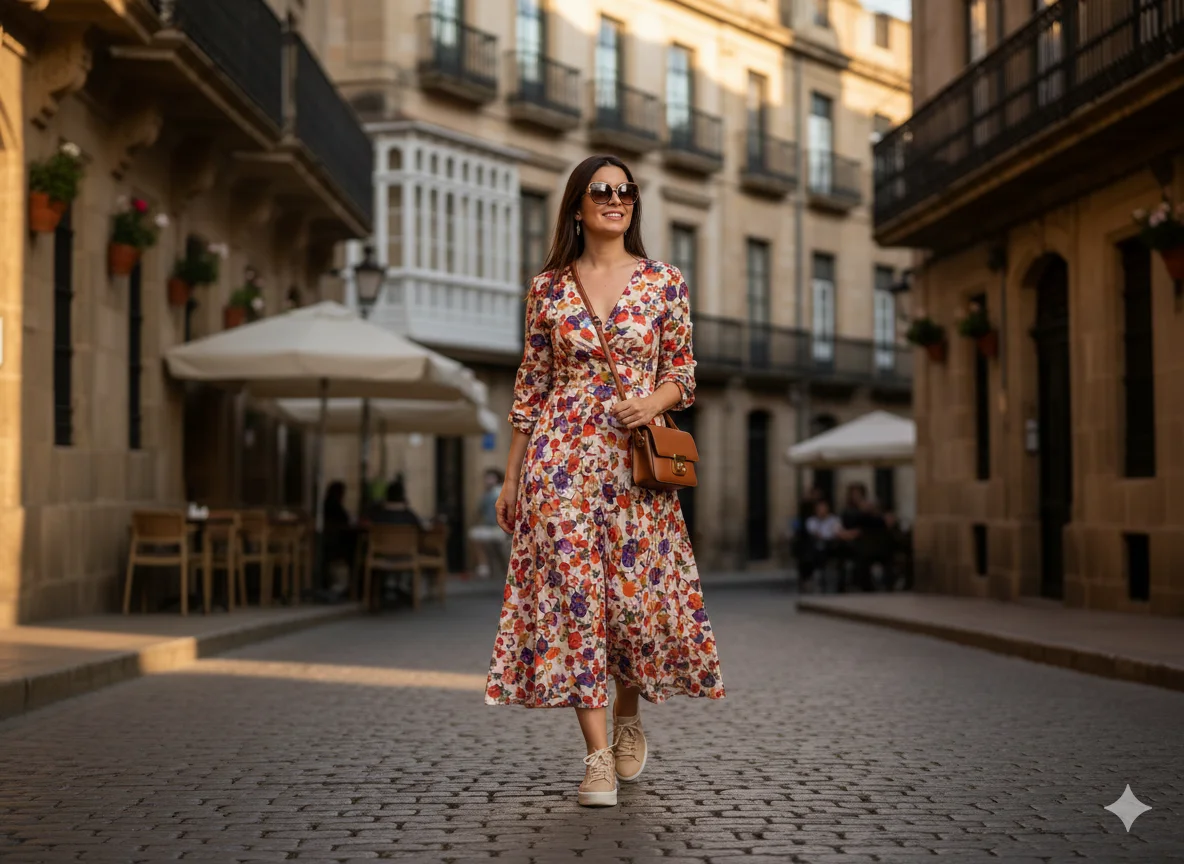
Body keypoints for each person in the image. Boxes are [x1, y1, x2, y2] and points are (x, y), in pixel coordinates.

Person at [485, 154, 725, 808]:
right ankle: (595, 758)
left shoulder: (663, 281)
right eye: (602, 192)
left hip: (635, 466)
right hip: (561, 460)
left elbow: (684, 368)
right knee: (574, 603)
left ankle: (627, 716)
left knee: (631, 608)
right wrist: (512, 479)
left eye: (625, 191)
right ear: (578, 206)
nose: (616, 200)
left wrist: (653, 402)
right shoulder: (549, 288)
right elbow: (530, 387)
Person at [468, 469, 507, 579]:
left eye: (490, 477)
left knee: (498, 549)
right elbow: (479, 511)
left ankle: (485, 566)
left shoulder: (499, 492)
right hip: (489, 527)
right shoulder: (486, 494)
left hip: (499, 528)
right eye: (487, 478)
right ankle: (483, 565)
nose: (488, 480)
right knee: (475, 536)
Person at [802, 498, 842, 591]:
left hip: (831, 545)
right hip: (817, 545)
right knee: (816, 548)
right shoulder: (812, 520)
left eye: (823, 508)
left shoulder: (834, 519)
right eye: (819, 508)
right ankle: (815, 576)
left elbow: (836, 533)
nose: (821, 510)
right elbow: (815, 533)